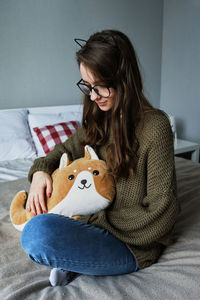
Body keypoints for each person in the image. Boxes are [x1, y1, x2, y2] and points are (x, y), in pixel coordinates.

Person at [21, 29, 179, 286]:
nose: (93, 96)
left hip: (132, 245)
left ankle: (74, 260)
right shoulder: (99, 119)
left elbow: (162, 212)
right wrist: (40, 172)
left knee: (37, 235)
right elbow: (61, 150)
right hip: (93, 230)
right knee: (36, 218)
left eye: (100, 87)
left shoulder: (155, 127)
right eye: (87, 86)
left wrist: (90, 220)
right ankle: (77, 258)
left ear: (123, 79)